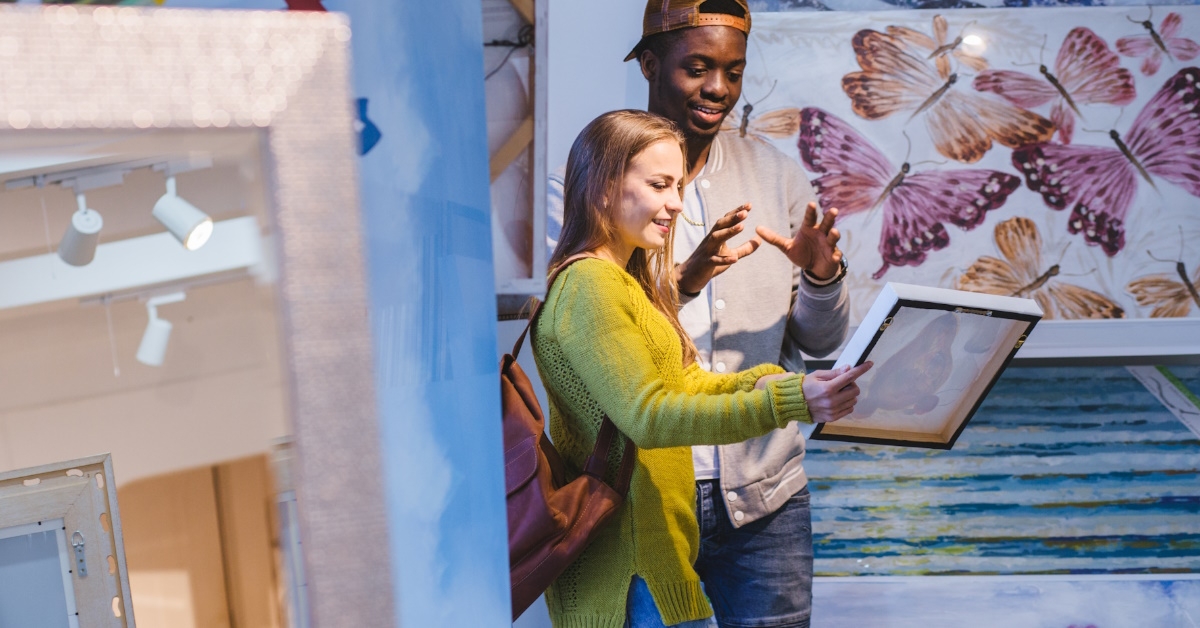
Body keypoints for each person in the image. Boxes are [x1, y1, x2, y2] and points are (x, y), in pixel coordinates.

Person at [546, 2, 853, 626]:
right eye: (698, 67)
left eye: (733, 72)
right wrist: (686, 282)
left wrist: (822, 278)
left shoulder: (774, 175)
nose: (718, 88)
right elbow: (643, 393)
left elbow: (814, 343)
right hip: (647, 500)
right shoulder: (589, 203)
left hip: (766, 496)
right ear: (651, 64)